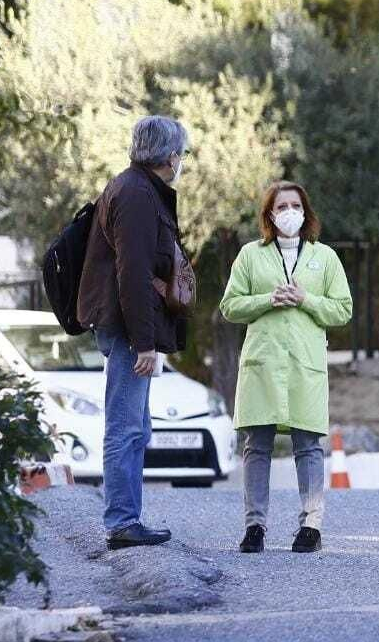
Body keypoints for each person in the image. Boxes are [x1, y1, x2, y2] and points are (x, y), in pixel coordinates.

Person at [77, 115, 193, 550]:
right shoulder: (139, 194)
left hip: (124, 323)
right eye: (181, 153)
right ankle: (122, 522)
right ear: (171, 155)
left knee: (137, 426)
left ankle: (128, 517)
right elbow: (134, 273)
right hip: (127, 327)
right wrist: (145, 342)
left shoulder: (132, 187)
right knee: (126, 427)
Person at [219, 180, 354, 555]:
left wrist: (306, 299)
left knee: (307, 444)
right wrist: (268, 299)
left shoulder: (324, 257)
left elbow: (343, 309)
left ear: (306, 212)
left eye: (296, 205)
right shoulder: (250, 255)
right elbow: (230, 306)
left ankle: (311, 524)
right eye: (282, 207)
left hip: (303, 364)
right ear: (270, 214)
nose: (289, 213)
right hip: (264, 361)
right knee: (256, 445)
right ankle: (255, 526)